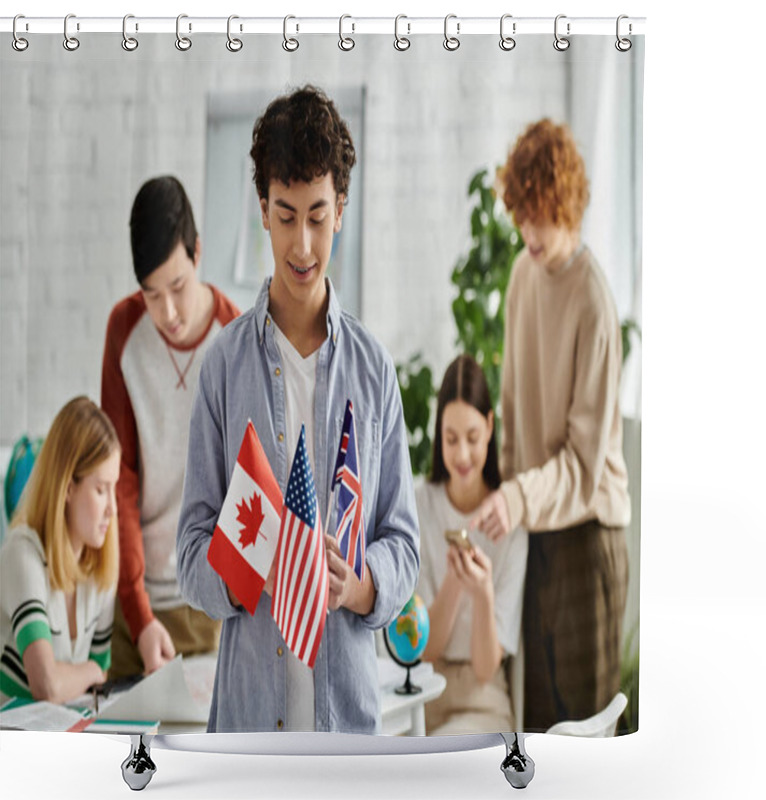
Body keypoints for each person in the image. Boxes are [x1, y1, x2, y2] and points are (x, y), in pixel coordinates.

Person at [176, 85, 419, 734]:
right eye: (286, 216)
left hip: (347, 726)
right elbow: (191, 548)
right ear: (262, 209)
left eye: (317, 215)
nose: (303, 245)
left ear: (342, 208)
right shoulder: (223, 368)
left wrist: (361, 585)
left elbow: (404, 541)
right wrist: (238, 573)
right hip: (248, 723)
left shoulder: (374, 371)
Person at [472, 119, 631, 731]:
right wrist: (503, 494)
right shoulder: (520, 276)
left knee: (586, 736)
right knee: (536, 733)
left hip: (587, 537)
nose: (527, 232)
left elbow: (584, 466)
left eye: (539, 215)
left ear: (566, 206)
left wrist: (518, 495)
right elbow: (513, 409)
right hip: (533, 529)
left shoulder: (594, 301)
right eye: (520, 214)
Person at [101, 176, 240, 679]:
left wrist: (229, 595)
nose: (169, 313)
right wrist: (137, 615)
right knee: (119, 756)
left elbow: (244, 490)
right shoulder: (125, 331)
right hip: (135, 610)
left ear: (198, 252)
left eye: (177, 287)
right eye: (152, 294)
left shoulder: (235, 339)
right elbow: (120, 481)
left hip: (211, 608)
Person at [416, 355, 527, 735]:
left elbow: (485, 668)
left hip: (483, 699)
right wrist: (454, 582)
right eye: (451, 439)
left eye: (472, 438)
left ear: (491, 426)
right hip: (423, 693)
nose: (462, 455)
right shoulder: (419, 505)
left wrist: (482, 594)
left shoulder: (509, 526)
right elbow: (423, 650)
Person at [0, 397, 120, 704]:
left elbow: (95, 687)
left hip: (59, 738)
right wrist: (90, 669)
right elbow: (48, 686)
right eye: (100, 489)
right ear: (68, 488)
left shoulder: (102, 568)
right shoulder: (22, 555)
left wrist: (86, 673)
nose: (113, 509)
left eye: (114, 489)